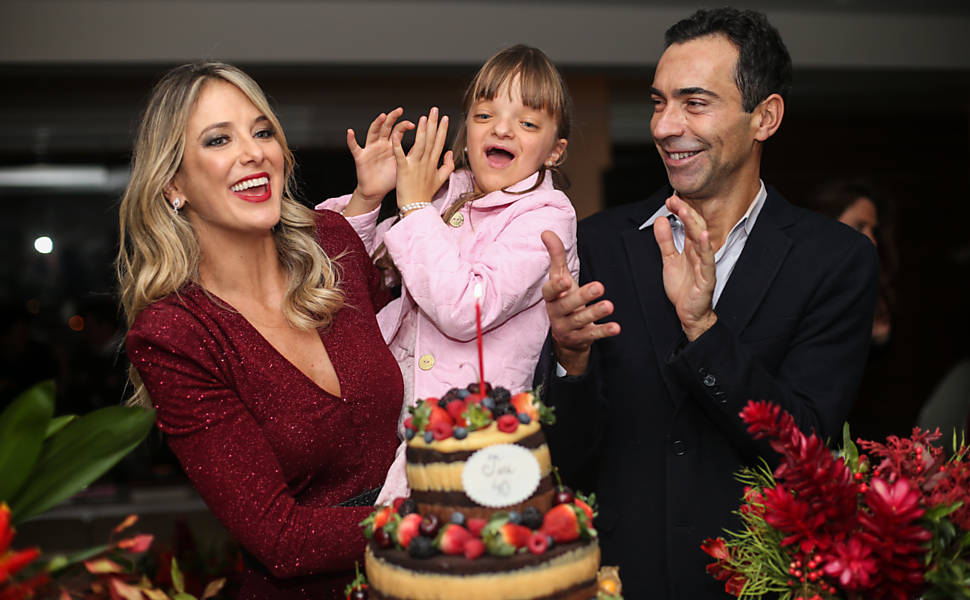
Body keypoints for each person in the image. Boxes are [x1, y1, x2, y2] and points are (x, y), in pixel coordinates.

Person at [537, 9, 878, 599]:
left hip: (756, 583)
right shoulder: (596, 244)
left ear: (764, 118)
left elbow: (806, 453)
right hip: (617, 579)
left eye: (694, 103)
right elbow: (566, 457)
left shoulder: (835, 260)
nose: (666, 126)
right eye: (658, 102)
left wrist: (702, 326)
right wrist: (571, 359)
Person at [117, 62, 402, 598]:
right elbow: (281, 538)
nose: (254, 152)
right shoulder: (176, 335)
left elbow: (426, 361)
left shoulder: (333, 244)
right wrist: (432, 522)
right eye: (219, 139)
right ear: (174, 184)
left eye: (263, 131)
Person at [318, 45, 579, 502]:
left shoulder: (547, 215)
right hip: (388, 440)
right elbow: (342, 282)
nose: (501, 128)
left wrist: (415, 206)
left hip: (476, 450)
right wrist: (368, 196)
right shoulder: (445, 190)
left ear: (555, 151)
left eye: (527, 122)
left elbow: (467, 307)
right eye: (484, 115)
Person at [807, 179, 895, 345]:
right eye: (859, 227)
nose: (872, 240)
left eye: (873, 230)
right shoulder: (798, 280)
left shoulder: (872, 285)